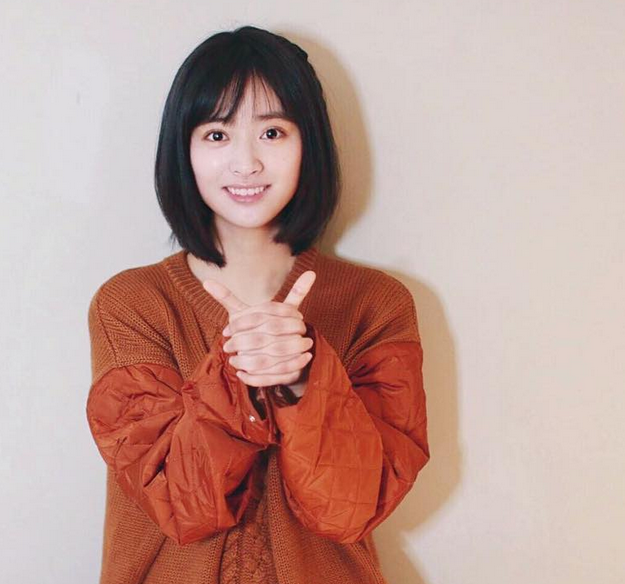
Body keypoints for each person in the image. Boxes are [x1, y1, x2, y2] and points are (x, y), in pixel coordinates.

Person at [85, 25, 429, 584]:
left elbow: (350, 510)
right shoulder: (131, 305)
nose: (245, 163)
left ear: (308, 144)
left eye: (272, 132)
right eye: (217, 134)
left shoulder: (375, 304)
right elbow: (182, 503)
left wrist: (303, 379)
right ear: (183, 150)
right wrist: (239, 375)